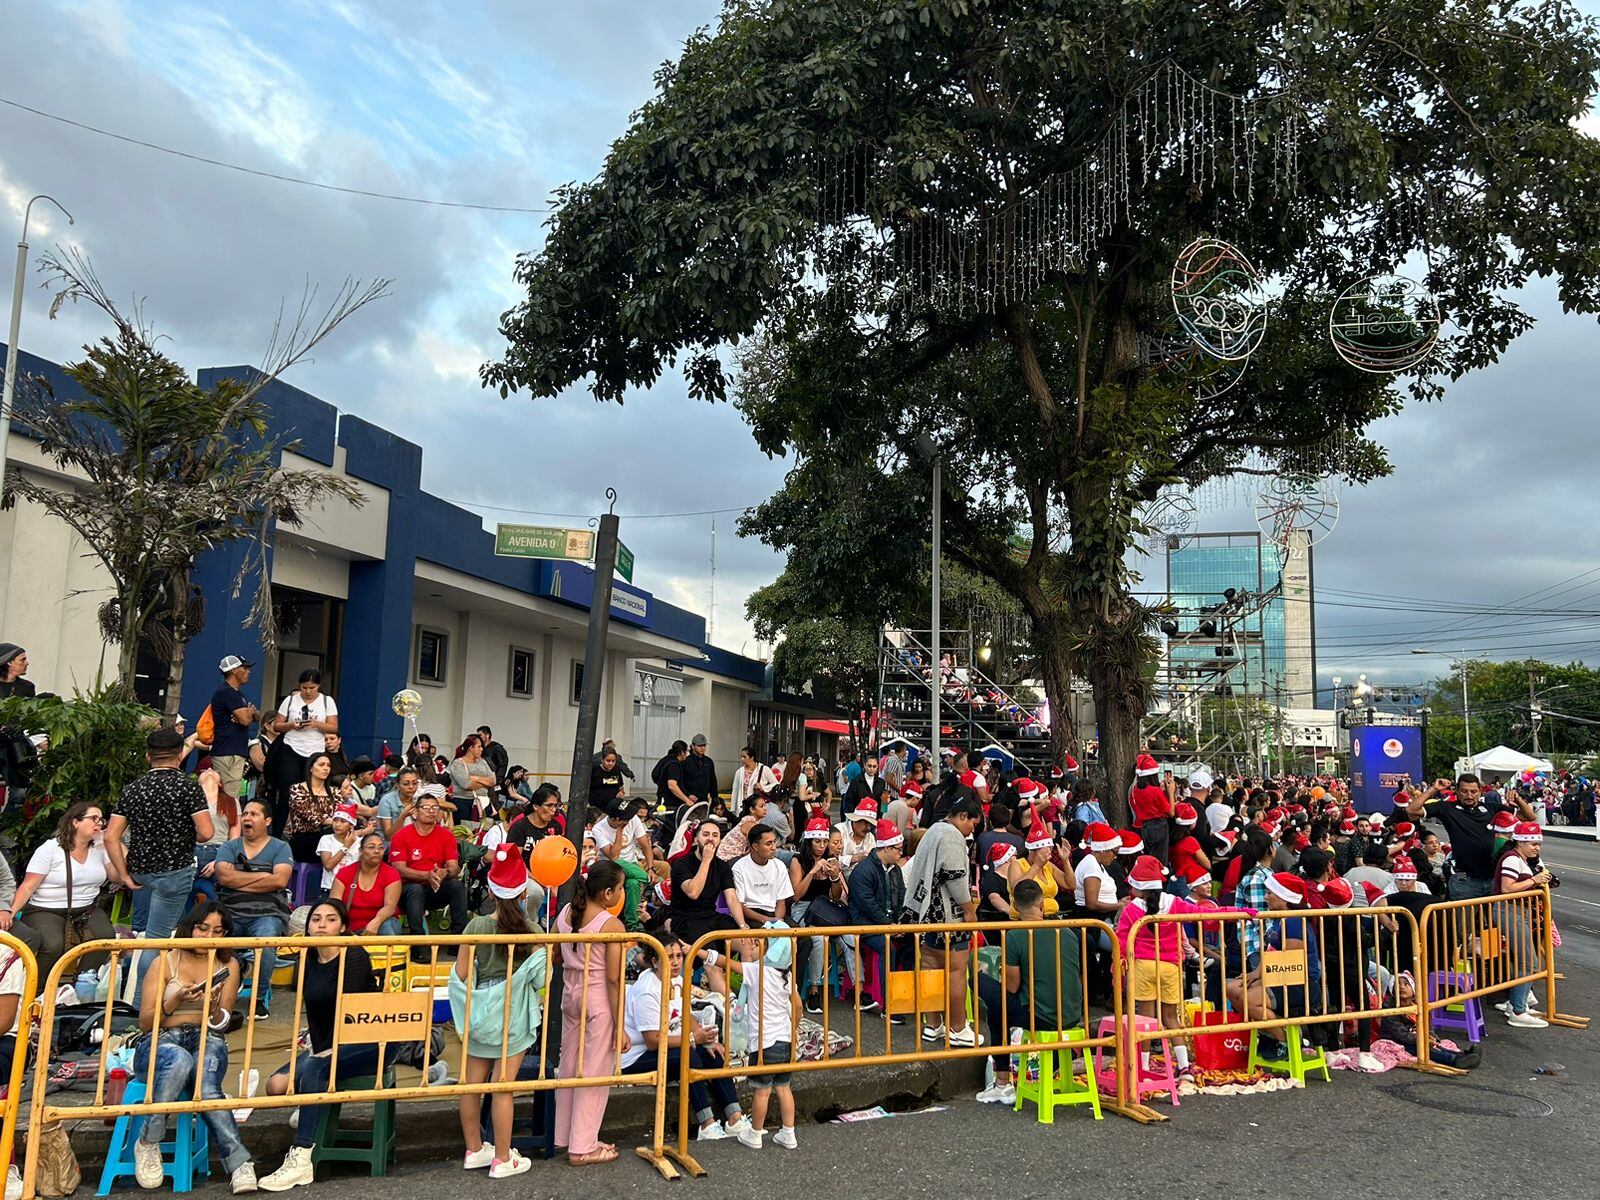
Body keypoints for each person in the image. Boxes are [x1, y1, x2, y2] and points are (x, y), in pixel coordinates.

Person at [131, 901, 256, 1193]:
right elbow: (145, 1023)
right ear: (190, 927)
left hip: (206, 1036)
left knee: (207, 1085)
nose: (208, 936)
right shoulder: (165, 961)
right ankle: (149, 1140)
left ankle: (239, 1163)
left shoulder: (228, 965)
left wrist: (211, 1008)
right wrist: (174, 1001)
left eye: (217, 931)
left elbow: (222, 1022)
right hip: (161, 1039)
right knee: (179, 1059)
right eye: (202, 928)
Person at [258, 899, 380, 1192]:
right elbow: (315, 1012)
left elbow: (347, 1012)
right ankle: (312, 1107)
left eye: (330, 919)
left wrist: (322, 1053)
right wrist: (315, 1046)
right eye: (316, 919)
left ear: (343, 927)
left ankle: (301, 1157)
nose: (322, 924)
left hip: (367, 1039)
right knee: (276, 1085)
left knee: (315, 1070)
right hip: (324, 1041)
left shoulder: (354, 955)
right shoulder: (307, 957)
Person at [1118, 855, 1254, 1081]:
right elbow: (1206, 915)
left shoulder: (1130, 910)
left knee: (1146, 1021)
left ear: (1137, 886)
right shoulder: (1174, 903)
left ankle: (1144, 1068)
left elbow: (1122, 942)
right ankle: (1183, 1066)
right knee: (1171, 1017)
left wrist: (1118, 969)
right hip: (1170, 967)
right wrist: (1237, 912)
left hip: (1142, 966)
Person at [453, 845, 544, 1180]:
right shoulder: (534, 932)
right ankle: (503, 1158)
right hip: (514, 1012)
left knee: (471, 1084)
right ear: (524, 893)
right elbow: (541, 980)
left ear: (490, 891)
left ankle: (474, 1150)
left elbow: (462, 973)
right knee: (503, 1085)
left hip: (480, 1010)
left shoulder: (475, 926)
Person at [104, 726, 215, 997]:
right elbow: (206, 833)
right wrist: (181, 833)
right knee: (157, 941)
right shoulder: (188, 788)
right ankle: (142, 1004)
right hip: (174, 872)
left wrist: (124, 874)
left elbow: (110, 837)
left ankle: (142, 997)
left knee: (143, 932)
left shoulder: (132, 789)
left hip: (140, 872)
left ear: (148, 756)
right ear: (179, 755)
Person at [620, 932, 749, 1142]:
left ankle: (735, 1117)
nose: (676, 962)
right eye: (669, 957)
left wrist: (708, 1040)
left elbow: (686, 1016)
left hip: (669, 1043)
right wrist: (693, 1039)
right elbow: (652, 1042)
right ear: (655, 961)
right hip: (636, 1056)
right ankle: (707, 1123)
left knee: (714, 1053)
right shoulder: (646, 990)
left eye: (679, 956)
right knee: (688, 1054)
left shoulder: (678, 980)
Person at [553, 859, 628, 1166]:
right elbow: (613, 979)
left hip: (570, 993)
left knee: (569, 1066)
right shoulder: (611, 925)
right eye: (620, 888)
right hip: (597, 998)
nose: (622, 893)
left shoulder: (565, 912)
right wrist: (620, 1024)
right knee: (595, 1072)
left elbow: (555, 954)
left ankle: (565, 1135)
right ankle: (583, 1146)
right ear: (608, 893)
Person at [987, 878, 1085, 1105]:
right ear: (1042, 904)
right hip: (1073, 1015)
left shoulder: (1015, 935)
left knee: (991, 998)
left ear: (1014, 906)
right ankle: (1042, 1068)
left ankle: (1001, 1082)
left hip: (1041, 1016)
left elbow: (1012, 987)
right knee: (998, 1007)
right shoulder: (1067, 932)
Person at [9, 801, 125, 981]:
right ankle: (37, 989)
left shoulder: (100, 848)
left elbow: (117, 877)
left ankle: (81, 985)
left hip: (86, 909)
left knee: (104, 938)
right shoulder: (50, 849)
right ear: (75, 822)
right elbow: (28, 886)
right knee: (52, 945)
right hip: (46, 909)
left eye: (101, 820)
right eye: (94, 818)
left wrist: (114, 842)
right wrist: (9, 913)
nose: (99, 823)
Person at [901, 794, 984, 1047]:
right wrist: (969, 910)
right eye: (972, 824)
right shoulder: (951, 836)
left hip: (925, 912)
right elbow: (955, 877)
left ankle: (933, 1025)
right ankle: (957, 1027)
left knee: (930, 969)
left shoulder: (933, 831)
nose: (972, 830)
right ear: (962, 816)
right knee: (956, 971)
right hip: (948, 914)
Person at [1223, 872, 1322, 1059]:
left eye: (1270, 893)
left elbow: (1289, 962)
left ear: (1285, 897)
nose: (1266, 897)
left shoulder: (1294, 920)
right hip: (1280, 977)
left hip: (1300, 984)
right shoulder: (1279, 919)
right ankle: (1268, 1033)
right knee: (1232, 988)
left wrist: (1261, 978)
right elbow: (1272, 952)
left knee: (1250, 999)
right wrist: (1256, 973)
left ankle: (1286, 1040)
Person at [211, 799, 293, 1015]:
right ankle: (226, 981)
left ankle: (258, 997)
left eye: (254, 814)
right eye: (245, 813)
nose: (247, 818)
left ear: (267, 821)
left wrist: (237, 878)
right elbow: (223, 877)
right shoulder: (230, 846)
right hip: (230, 912)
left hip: (268, 913)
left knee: (266, 941)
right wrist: (263, 875)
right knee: (210, 936)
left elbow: (280, 880)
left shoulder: (280, 847)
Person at [1408, 775, 1535, 899]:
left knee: (1496, 914)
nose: (1469, 795)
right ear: (1457, 791)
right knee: (1463, 915)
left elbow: (1529, 816)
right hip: (1464, 882)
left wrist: (1517, 798)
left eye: (1473, 791)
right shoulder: (1447, 808)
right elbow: (1412, 810)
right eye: (1464, 791)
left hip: (1493, 879)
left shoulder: (1492, 808)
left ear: (1480, 791)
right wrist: (1433, 789)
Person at [733, 931, 800, 1150]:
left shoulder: (757, 971)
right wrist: (794, 1028)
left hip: (764, 1044)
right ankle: (789, 1133)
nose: (752, 946)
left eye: (757, 944)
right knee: (784, 1088)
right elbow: (798, 1006)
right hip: (785, 1041)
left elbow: (728, 963)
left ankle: (755, 1133)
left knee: (762, 1091)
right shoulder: (786, 975)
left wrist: (705, 953)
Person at [389, 794, 468, 951]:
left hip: (436, 887)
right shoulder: (401, 835)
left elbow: (454, 867)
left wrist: (445, 872)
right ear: (415, 812)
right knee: (415, 889)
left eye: (435, 808)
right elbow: (398, 869)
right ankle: (419, 946)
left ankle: (458, 943)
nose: (431, 811)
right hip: (407, 891)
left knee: (457, 886)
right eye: (426, 808)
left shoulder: (446, 835)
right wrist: (427, 875)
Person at [843, 819, 905, 1012]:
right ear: (886, 848)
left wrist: (901, 922)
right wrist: (889, 926)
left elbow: (901, 896)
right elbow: (868, 905)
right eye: (898, 849)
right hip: (865, 924)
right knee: (887, 948)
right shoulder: (863, 871)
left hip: (888, 922)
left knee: (913, 943)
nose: (901, 853)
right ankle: (889, 1003)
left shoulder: (895, 870)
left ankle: (906, 995)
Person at [1494, 820, 1552, 1027]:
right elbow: (1507, 888)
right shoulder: (1512, 859)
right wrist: (1534, 880)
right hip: (1509, 910)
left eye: (1538, 844)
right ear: (1520, 842)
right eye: (1533, 843)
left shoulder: (1521, 859)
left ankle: (1516, 1004)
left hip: (1518, 911)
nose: (1537, 848)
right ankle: (1518, 1011)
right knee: (1528, 962)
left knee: (1528, 961)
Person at [269, 670, 339, 834]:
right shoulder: (290, 700)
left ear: (318, 686)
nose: (307, 691)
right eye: (304, 687)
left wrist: (316, 724)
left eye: (312, 688)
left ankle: (305, 831)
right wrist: (291, 725)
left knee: (310, 792)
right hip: (291, 748)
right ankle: (278, 833)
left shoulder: (327, 701)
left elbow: (333, 727)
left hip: (315, 751)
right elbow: (277, 725)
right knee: (287, 794)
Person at [789, 816, 848, 1012]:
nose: (822, 846)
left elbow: (835, 896)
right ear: (809, 841)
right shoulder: (798, 861)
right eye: (817, 841)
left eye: (824, 841)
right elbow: (796, 895)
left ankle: (859, 990)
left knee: (849, 938)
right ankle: (814, 989)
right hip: (803, 910)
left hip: (824, 910)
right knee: (818, 938)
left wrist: (835, 877)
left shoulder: (831, 861)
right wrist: (812, 872)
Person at [208, 655, 259, 823]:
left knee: (231, 794)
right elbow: (245, 720)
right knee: (229, 796)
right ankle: (227, 831)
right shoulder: (227, 692)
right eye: (245, 668)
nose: (248, 672)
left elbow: (255, 716)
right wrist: (247, 713)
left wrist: (249, 713)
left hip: (233, 751)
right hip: (227, 752)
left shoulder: (237, 694)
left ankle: (229, 829)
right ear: (235, 671)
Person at [330, 833, 402, 936]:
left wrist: (376, 922)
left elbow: (390, 906)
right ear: (361, 851)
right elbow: (334, 906)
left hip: (382, 923)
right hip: (350, 927)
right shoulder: (345, 873)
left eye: (381, 847)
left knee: (386, 926)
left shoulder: (391, 874)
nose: (377, 851)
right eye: (371, 847)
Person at [1005, 812, 1074, 916]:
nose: (1048, 853)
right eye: (1044, 849)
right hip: (1027, 919)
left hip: (1051, 917)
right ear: (1031, 850)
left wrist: (1066, 860)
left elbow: (1071, 885)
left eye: (1049, 849)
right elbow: (1017, 889)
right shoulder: (1017, 864)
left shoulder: (1048, 865)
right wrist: (1036, 866)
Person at [283, 751, 341, 865]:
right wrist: (336, 822)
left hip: (331, 835)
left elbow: (341, 814)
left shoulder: (335, 792)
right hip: (304, 840)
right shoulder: (297, 789)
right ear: (310, 768)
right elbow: (310, 815)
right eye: (321, 765)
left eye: (328, 765)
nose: (326, 768)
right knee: (333, 834)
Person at [731, 825, 792, 925]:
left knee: (801, 935)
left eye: (774, 842)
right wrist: (765, 919)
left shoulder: (780, 865)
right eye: (768, 844)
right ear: (755, 847)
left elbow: (781, 901)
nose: (774, 847)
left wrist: (777, 922)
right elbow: (739, 905)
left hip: (774, 913)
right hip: (752, 914)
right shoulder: (739, 867)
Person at [1128, 755, 1172, 866]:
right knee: (1159, 862)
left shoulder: (1135, 789)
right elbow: (1171, 812)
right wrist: (1171, 792)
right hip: (1158, 827)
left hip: (1143, 828)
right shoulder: (1155, 791)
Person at [593, 795, 655, 870]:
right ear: (614, 820)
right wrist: (620, 829)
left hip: (631, 862)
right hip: (611, 866)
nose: (630, 819)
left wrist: (651, 869)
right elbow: (614, 857)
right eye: (626, 817)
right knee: (639, 875)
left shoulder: (633, 818)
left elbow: (646, 846)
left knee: (663, 867)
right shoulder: (598, 829)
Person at [505, 784, 562, 864]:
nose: (554, 810)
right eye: (549, 805)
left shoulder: (556, 826)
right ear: (535, 806)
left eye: (555, 806)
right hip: (524, 870)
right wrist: (531, 873)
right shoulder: (519, 828)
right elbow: (515, 860)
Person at [448, 735, 498, 822]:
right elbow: (467, 784)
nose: (481, 749)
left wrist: (476, 778)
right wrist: (485, 782)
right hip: (463, 801)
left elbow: (493, 781)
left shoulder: (483, 762)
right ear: (471, 748)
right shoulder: (458, 764)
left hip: (483, 801)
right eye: (479, 747)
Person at [316, 804, 364, 893]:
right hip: (330, 888)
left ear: (351, 825)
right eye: (335, 820)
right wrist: (346, 847)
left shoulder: (360, 843)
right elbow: (328, 866)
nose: (337, 825)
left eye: (343, 821)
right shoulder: (326, 839)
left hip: (352, 889)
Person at [717, 790, 769, 863]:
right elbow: (756, 848)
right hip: (727, 859)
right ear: (752, 809)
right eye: (761, 806)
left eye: (765, 805)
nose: (765, 808)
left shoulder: (750, 821)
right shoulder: (749, 824)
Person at [730, 746, 778, 815]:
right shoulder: (739, 772)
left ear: (752, 758)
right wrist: (732, 809)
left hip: (757, 807)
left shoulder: (764, 769)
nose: (742, 759)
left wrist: (763, 788)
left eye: (744, 757)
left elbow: (776, 784)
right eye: (741, 757)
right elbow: (735, 790)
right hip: (742, 807)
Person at [375, 767, 420, 840]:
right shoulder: (386, 801)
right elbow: (389, 837)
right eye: (406, 784)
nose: (411, 787)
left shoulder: (419, 799)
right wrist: (402, 816)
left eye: (414, 783)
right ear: (397, 785)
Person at [835, 797, 878, 871]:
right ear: (855, 820)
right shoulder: (839, 831)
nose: (868, 827)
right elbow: (830, 860)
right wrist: (853, 858)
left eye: (871, 824)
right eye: (866, 823)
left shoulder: (870, 837)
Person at [842, 752, 888, 817]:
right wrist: (853, 816)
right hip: (859, 818)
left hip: (875, 818)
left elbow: (883, 804)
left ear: (877, 767)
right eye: (869, 766)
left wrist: (884, 808)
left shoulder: (881, 782)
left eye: (874, 766)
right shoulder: (856, 781)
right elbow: (848, 800)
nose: (872, 769)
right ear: (865, 765)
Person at [680, 734, 718, 807]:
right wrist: (688, 794)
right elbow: (680, 782)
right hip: (689, 800)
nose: (702, 748)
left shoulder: (708, 762)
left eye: (704, 745)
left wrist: (715, 798)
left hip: (704, 800)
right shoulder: (686, 761)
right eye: (699, 746)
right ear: (693, 746)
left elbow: (713, 781)